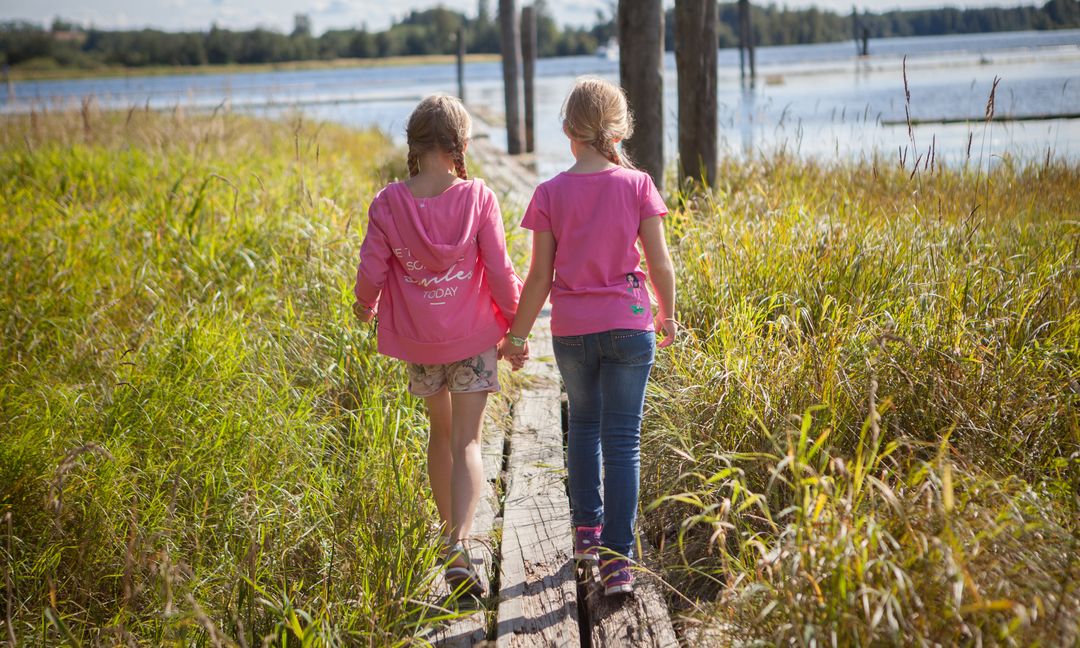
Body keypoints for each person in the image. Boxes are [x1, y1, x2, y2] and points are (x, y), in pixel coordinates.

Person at [500, 76, 678, 596]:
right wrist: (667, 315)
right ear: (619, 130)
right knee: (623, 443)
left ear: (566, 131)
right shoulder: (638, 184)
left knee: (583, 428)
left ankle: (585, 535)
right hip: (629, 325)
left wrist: (515, 336)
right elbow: (660, 264)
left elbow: (538, 278)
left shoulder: (551, 192)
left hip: (574, 331)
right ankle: (617, 563)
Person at [353, 94, 523, 598]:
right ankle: (459, 544)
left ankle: (450, 541)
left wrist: (365, 305)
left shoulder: (388, 203)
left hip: (421, 342)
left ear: (414, 144)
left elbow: (370, 269)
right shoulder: (478, 198)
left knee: (440, 434)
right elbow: (499, 270)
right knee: (468, 441)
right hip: (472, 338)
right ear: (461, 144)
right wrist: (515, 328)